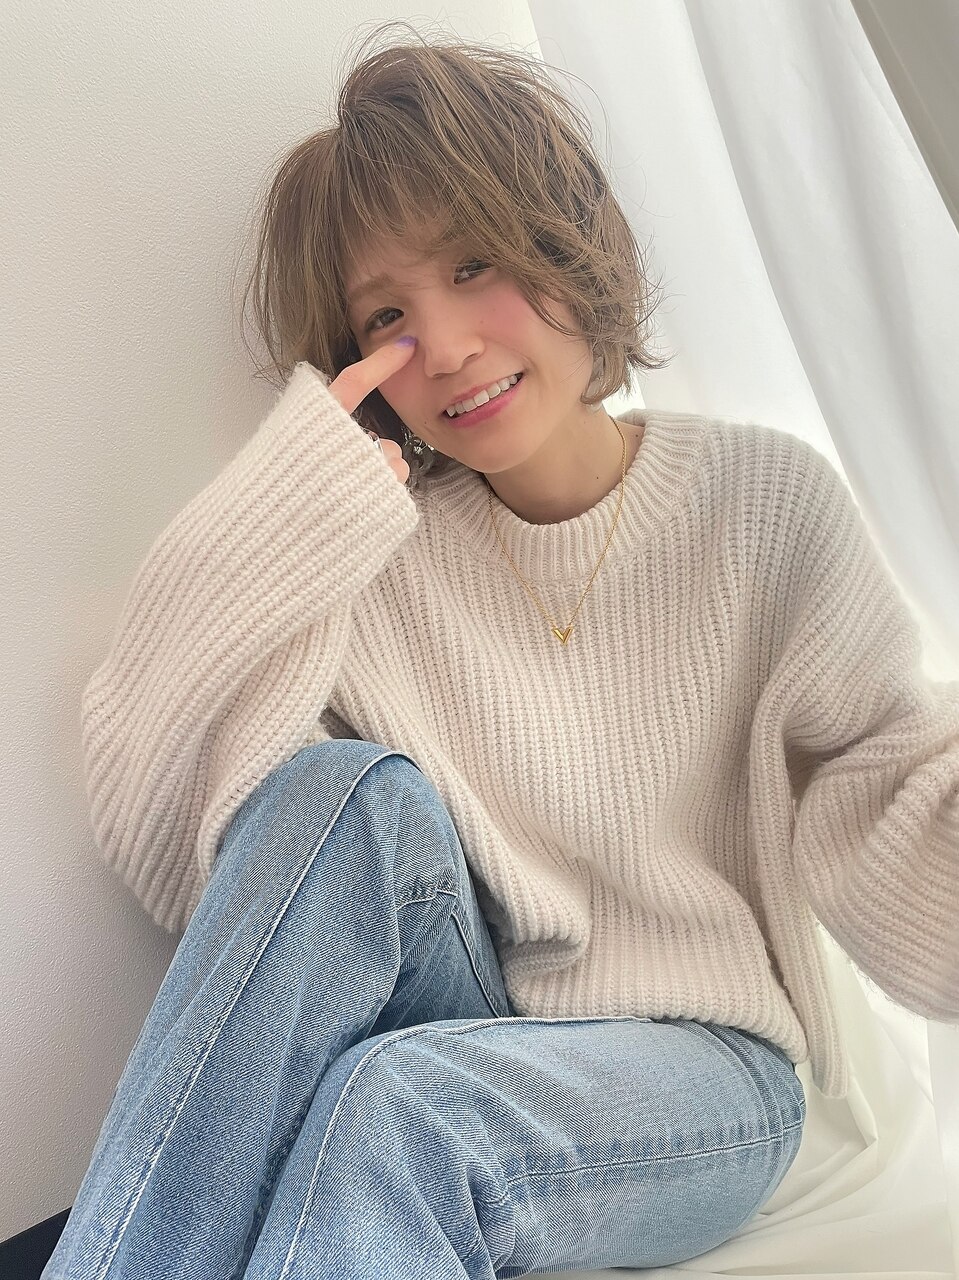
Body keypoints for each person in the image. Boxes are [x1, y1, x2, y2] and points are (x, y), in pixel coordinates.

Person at [44, 20, 959, 1280]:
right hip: (474, 1013)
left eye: (472, 264)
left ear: (563, 242)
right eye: (386, 315)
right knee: (331, 793)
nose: (447, 346)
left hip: (704, 1066)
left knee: (403, 1107)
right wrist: (299, 495)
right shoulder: (374, 553)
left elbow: (887, 800)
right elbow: (167, 827)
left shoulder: (764, 504)